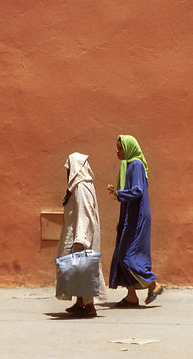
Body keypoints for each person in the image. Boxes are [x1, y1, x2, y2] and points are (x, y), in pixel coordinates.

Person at [107, 135, 163, 307]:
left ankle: (153, 284)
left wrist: (118, 193)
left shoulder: (136, 164)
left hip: (138, 216)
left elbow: (137, 191)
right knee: (120, 254)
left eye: (120, 148)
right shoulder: (127, 166)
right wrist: (121, 219)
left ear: (129, 148)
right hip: (129, 216)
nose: (117, 151)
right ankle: (131, 296)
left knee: (128, 255)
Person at [56, 152, 106, 317]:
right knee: (78, 269)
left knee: (85, 268)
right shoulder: (79, 184)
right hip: (77, 231)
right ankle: (80, 302)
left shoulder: (81, 186)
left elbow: (85, 212)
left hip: (80, 233)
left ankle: (89, 306)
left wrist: (80, 238)